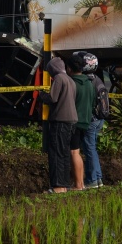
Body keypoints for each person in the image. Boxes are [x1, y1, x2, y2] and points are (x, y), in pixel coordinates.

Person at [38, 56, 76, 193]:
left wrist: (42, 95)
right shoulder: (70, 80)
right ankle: (65, 185)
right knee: (64, 153)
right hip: (71, 121)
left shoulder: (59, 79)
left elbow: (53, 98)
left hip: (60, 121)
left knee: (55, 153)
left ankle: (57, 186)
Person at [75, 51, 107, 188]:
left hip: (91, 119)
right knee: (92, 147)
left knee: (89, 149)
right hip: (100, 118)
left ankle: (92, 180)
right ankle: (98, 178)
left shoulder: (86, 81)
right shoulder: (97, 79)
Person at [66, 54, 93, 191]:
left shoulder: (72, 83)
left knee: (73, 153)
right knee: (77, 151)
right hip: (86, 121)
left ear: (69, 68)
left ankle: (78, 184)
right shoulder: (89, 83)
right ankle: (80, 183)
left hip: (74, 122)